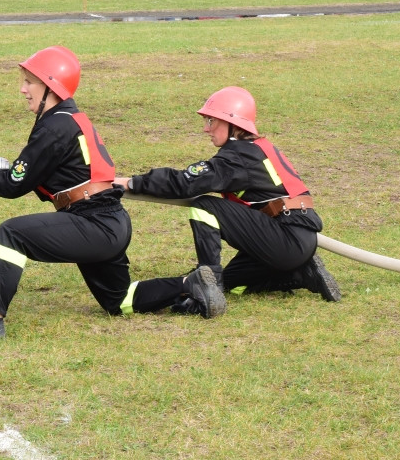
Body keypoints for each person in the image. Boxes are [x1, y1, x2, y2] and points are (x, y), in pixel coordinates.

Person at [0, 47, 225, 346]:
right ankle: (188, 285)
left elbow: (13, 185)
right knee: (118, 300)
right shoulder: (70, 119)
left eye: (30, 82)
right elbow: (40, 175)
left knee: (11, 233)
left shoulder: (53, 127)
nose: (23, 89)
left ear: (51, 86)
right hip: (108, 221)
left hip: (94, 223)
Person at [116, 87, 340, 310]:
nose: (206, 129)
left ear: (234, 124)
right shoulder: (257, 149)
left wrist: (132, 183)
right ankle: (300, 273)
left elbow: (186, 182)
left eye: (212, 121)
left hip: (285, 238)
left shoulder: (238, 156)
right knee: (231, 284)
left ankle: (205, 281)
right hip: (298, 239)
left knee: (204, 206)